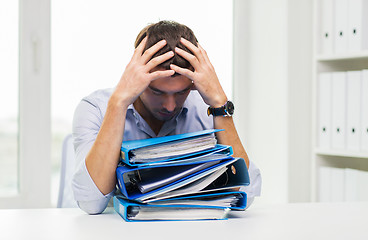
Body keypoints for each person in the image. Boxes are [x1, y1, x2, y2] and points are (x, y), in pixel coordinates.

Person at [72, 20, 261, 214]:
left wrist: (220, 105)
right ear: (136, 75)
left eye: (181, 92)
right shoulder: (96, 109)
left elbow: (247, 193)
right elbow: (91, 203)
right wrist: (118, 104)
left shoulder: (206, 108)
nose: (170, 106)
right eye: (157, 92)